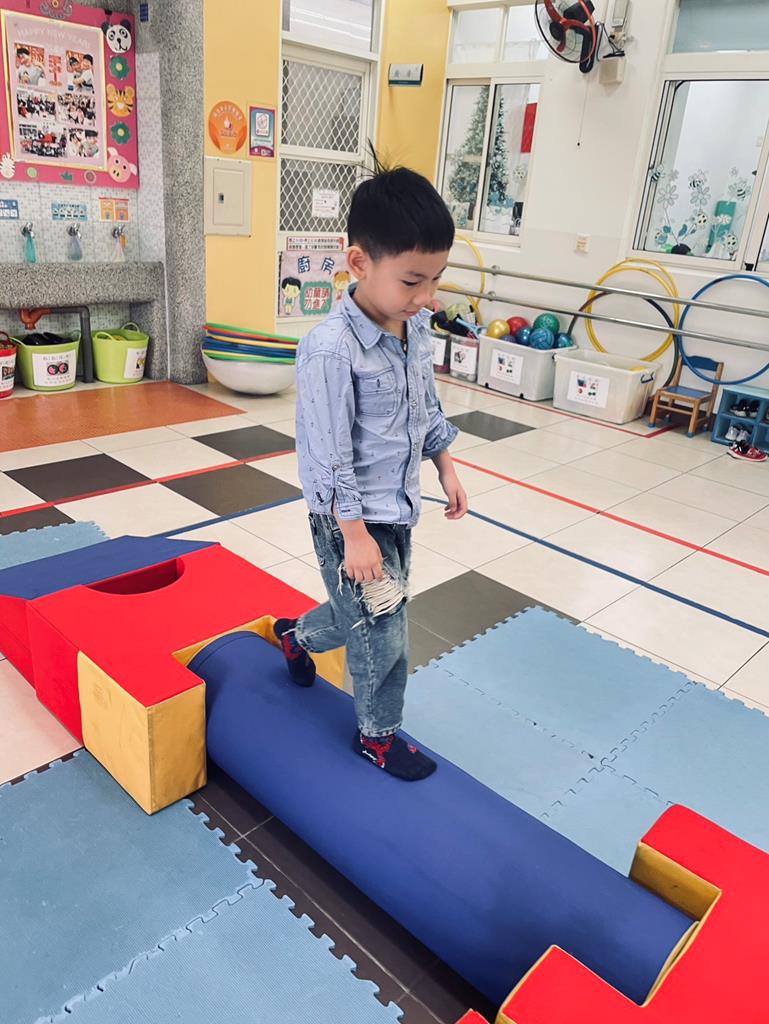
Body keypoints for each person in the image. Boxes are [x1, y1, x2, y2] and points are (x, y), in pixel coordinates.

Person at [274, 162, 467, 782]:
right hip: (349, 518)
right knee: (385, 632)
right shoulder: (330, 350)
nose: (426, 297)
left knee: (360, 613)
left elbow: (424, 406)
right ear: (359, 262)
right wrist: (354, 535)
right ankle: (377, 736)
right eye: (412, 281)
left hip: (399, 506)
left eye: (435, 279)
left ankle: (295, 637)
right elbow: (325, 456)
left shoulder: (415, 330)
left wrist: (445, 466)